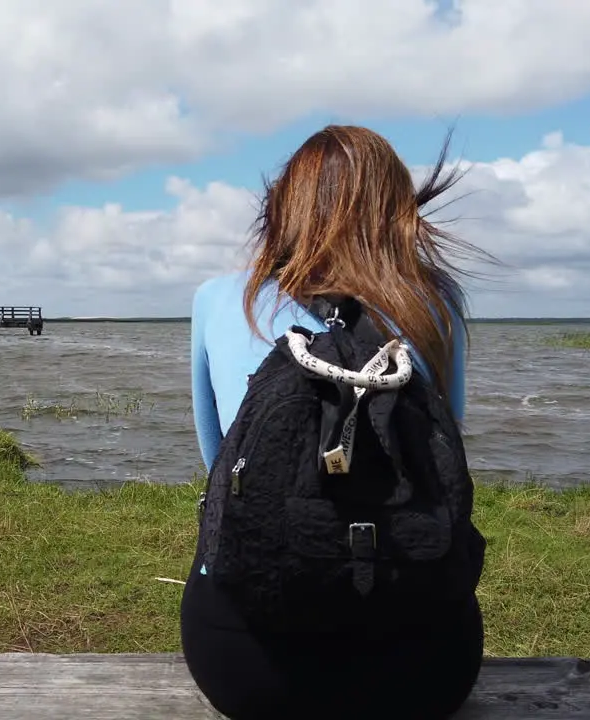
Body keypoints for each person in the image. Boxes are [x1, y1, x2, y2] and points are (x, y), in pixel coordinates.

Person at [181, 125, 490, 719]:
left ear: (282, 208)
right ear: (398, 210)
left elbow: (220, 464)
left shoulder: (217, 298)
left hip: (245, 664)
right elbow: (441, 446)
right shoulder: (437, 299)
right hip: (424, 669)